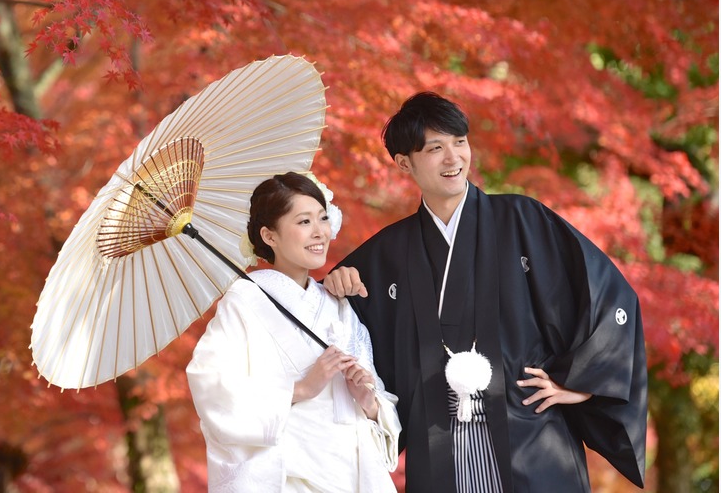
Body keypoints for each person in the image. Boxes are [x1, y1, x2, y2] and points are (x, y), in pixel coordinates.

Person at [324, 92, 647, 493]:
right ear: (404, 162)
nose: (453, 158)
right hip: (439, 453)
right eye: (435, 148)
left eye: (460, 142)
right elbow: (329, 326)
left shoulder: (523, 220)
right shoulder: (386, 254)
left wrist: (579, 385)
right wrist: (335, 288)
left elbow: (611, 298)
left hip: (531, 442)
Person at [187, 172, 401, 493]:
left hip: (353, 472)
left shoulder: (337, 305)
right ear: (269, 236)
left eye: (323, 218)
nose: (320, 232)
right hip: (290, 475)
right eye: (304, 222)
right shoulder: (245, 300)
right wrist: (300, 389)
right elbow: (212, 387)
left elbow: (374, 396)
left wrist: (368, 402)